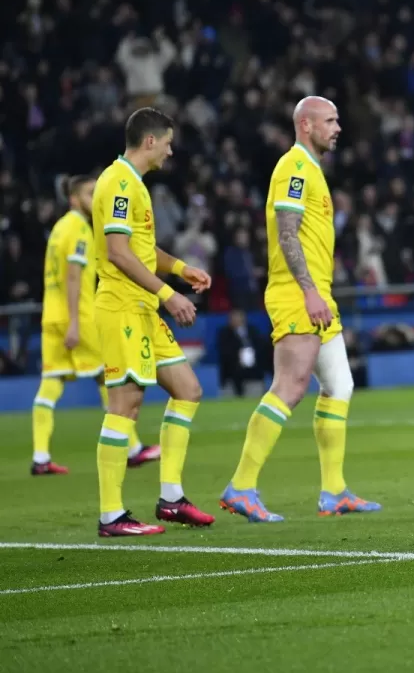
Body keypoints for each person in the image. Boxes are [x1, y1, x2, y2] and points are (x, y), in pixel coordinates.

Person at [220, 96, 381, 522]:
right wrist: (309, 292)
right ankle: (241, 485)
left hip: (317, 294)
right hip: (297, 293)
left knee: (339, 385)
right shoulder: (293, 166)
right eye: (330, 120)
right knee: (289, 387)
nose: (338, 127)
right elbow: (286, 233)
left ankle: (333, 492)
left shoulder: (312, 170)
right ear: (306, 125)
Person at [92, 108, 215, 536]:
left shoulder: (135, 185)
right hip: (123, 307)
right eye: (167, 141)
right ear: (149, 141)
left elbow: (142, 249)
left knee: (188, 389)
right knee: (125, 403)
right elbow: (118, 252)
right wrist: (169, 294)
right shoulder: (118, 182)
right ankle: (111, 516)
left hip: (143, 308)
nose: (170, 148)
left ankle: (172, 499)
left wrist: (181, 269)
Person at [33, 174, 161, 475]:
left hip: (51, 315)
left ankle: (40, 457)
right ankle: (132, 448)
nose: (95, 199)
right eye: (90, 194)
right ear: (75, 199)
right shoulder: (79, 229)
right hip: (77, 316)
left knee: (50, 384)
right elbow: (75, 277)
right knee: (110, 377)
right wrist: (76, 323)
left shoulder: (58, 229)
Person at [217, 308, 269, 397]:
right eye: (233, 318)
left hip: (253, 374)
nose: (236, 320)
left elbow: (262, 349)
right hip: (232, 375)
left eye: (238, 317)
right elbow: (224, 353)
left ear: (243, 318)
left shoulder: (253, 331)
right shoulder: (224, 333)